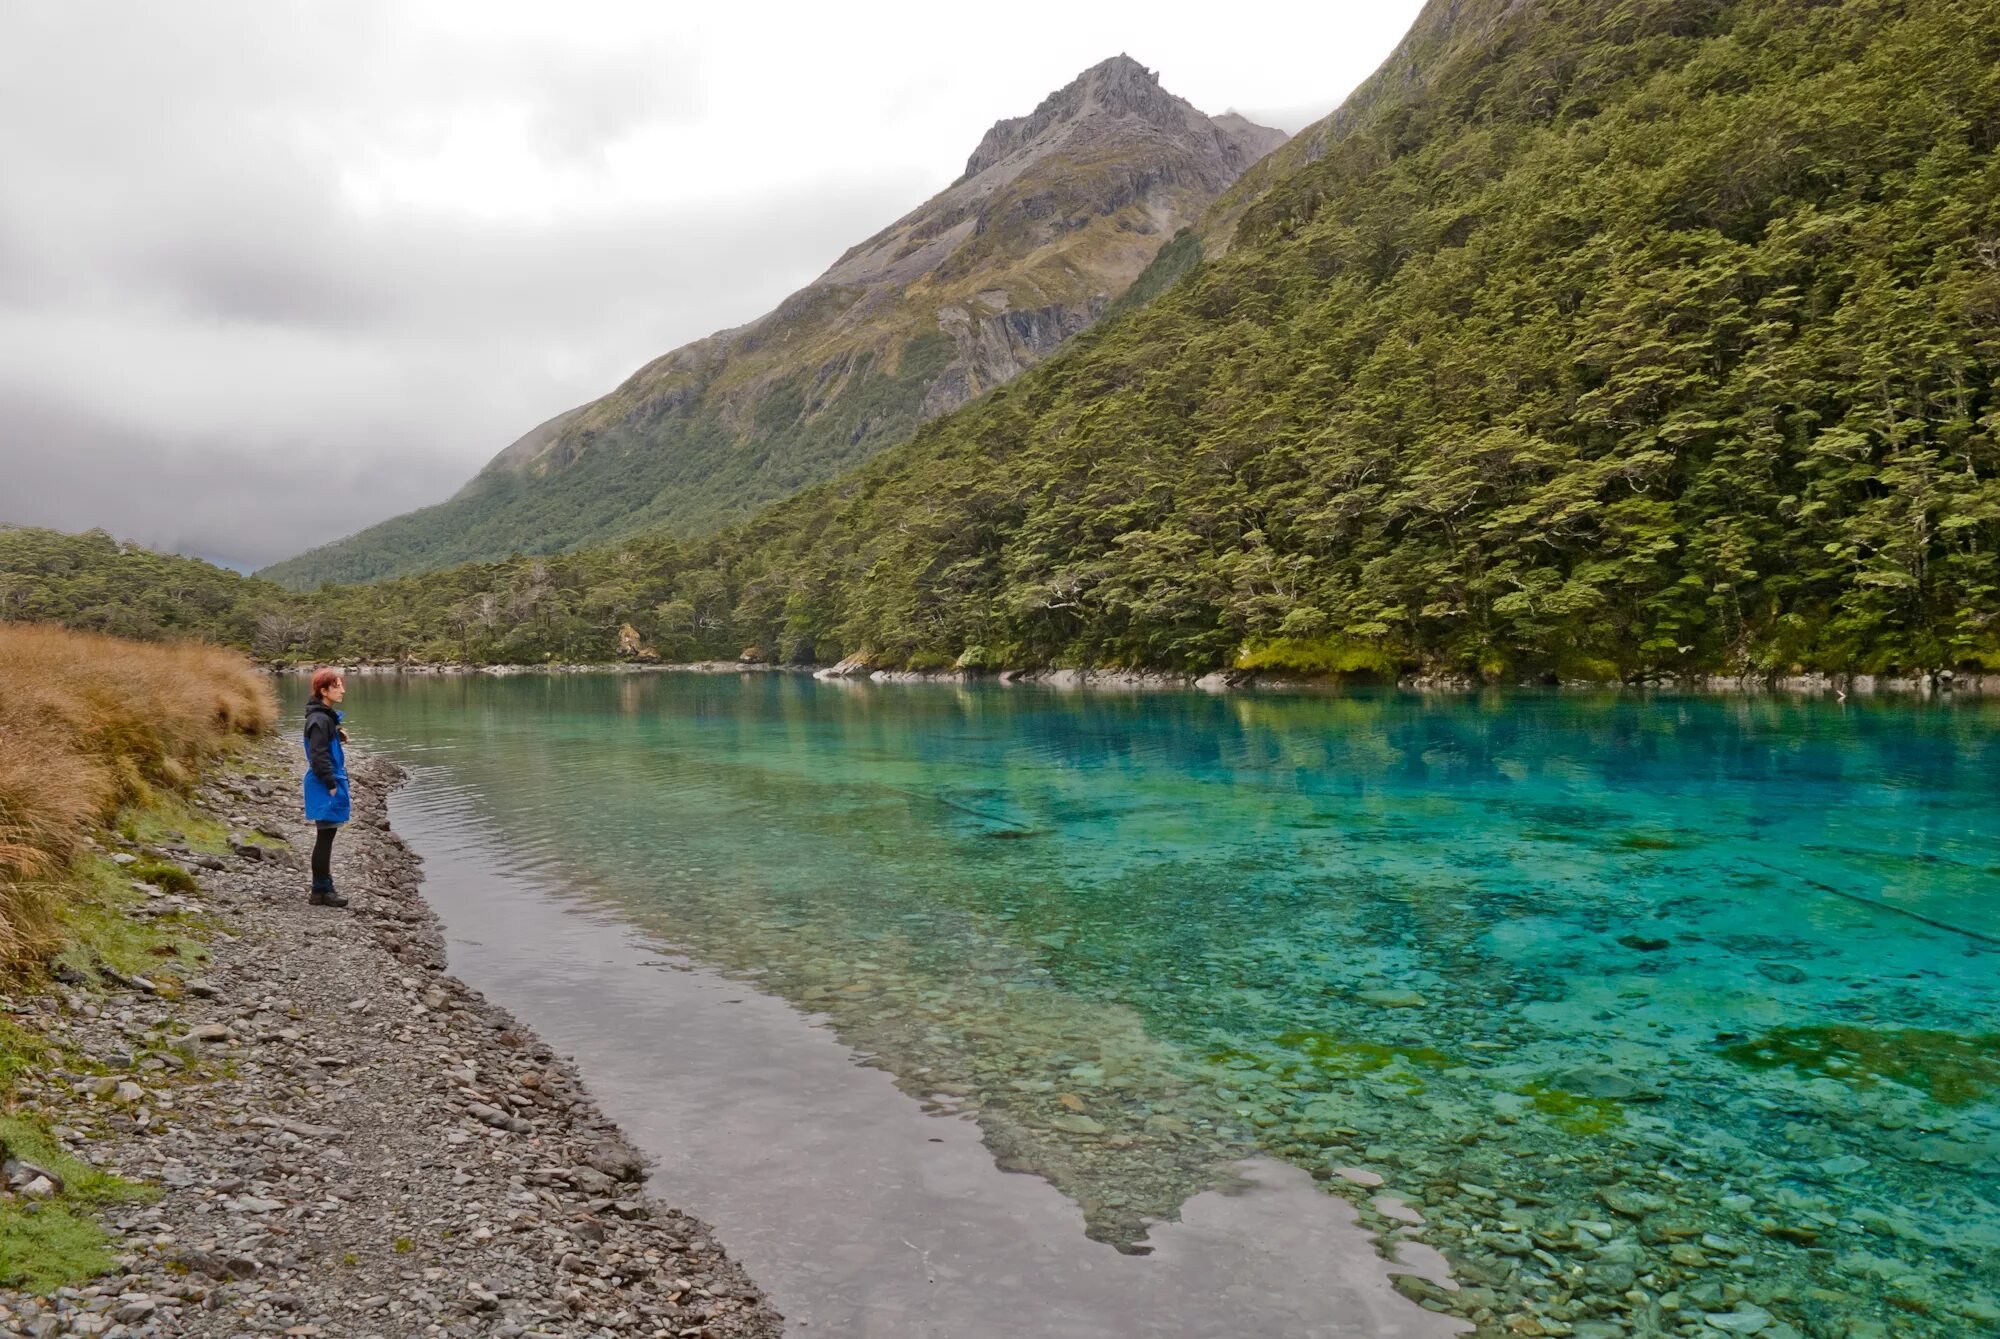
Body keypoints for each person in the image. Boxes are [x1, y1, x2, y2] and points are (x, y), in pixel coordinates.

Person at [302, 668, 351, 907]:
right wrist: (330, 784)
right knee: (325, 837)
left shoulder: (323, 717)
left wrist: (339, 734)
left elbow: (324, 742)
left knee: (326, 835)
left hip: (326, 782)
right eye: (337, 686)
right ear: (324, 691)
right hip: (324, 783)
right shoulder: (319, 719)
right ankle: (322, 890)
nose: (343, 690)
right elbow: (318, 755)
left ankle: (320, 891)